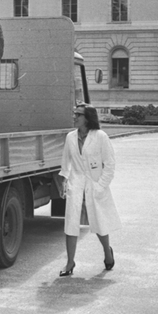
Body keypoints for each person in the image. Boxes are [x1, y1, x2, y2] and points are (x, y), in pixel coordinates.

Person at [57, 104, 121, 276]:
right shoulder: (70, 137)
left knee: (98, 221)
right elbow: (66, 162)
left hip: (94, 183)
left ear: (87, 118)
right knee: (71, 222)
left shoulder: (100, 136)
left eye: (78, 114)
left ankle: (108, 253)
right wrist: (64, 181)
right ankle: (70, 263)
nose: (74, 117)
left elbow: (110, 164)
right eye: (74, 113)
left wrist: (100, 186)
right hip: (76, 183)